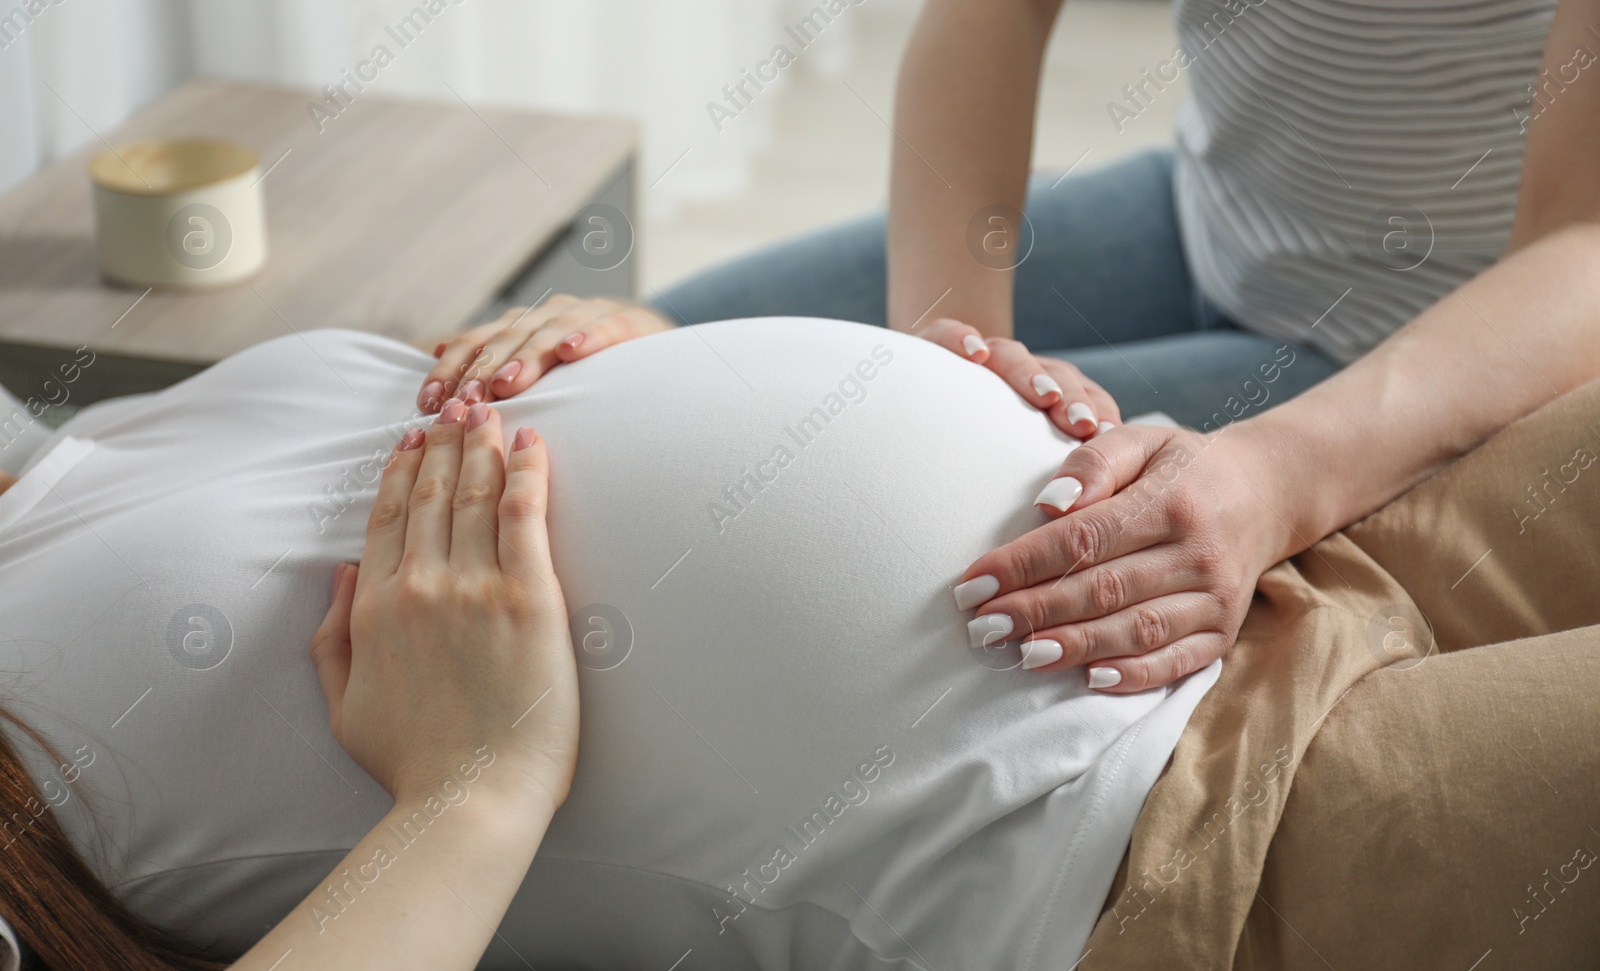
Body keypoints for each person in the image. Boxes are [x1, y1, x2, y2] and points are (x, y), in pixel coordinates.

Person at [431, 0, 1600, 694]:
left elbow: (1582, 238)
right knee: (616, 381)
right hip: (1205, 216)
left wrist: (1279, 476)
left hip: (1466, 331)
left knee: (902, 528)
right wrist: (935, 364)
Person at [0, 318, 1220, 970]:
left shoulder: (68, 446)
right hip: (1158, 845)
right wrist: (476, 783)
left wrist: (655, 347)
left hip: (1210, 559)